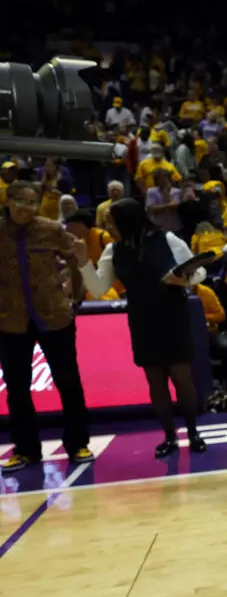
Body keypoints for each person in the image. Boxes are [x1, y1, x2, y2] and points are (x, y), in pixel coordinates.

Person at [79, 198, 208, 458]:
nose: (109, 228)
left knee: (182, 378)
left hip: (173, 316)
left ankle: (193, 432)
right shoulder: (112, 251)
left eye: (112, 223)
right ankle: (170, 437)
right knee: (155, 381)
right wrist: (83, 262)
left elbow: (200, 271)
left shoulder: (169, 239)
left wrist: (180, 279)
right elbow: (97, 289)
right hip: (142, 319)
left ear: (128, 220)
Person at [0, 181, 94, 472]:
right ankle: (26, 449)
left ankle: (77, 443)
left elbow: (77, 261)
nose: (26, 208)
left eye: (32, 202)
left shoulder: (52, 230)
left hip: (54, 317)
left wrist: (75, 299)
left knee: (68, 381)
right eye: (21, 201)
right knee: (16, 387)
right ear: (8, 201)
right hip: (10, 320)